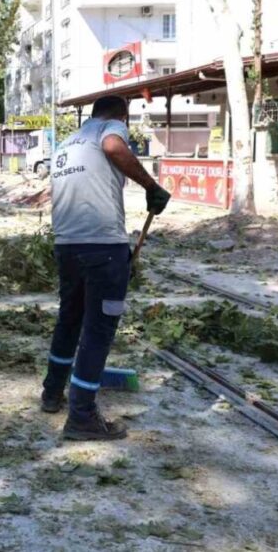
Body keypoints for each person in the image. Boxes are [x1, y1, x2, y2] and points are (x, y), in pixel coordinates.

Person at [41, 95, 171, 440]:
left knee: (69, 320)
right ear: (122, 115)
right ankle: (82, 417)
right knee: (98, 330)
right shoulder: (111, 129)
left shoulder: (67, 144)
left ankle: (52, 394)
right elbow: (114, 146)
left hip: (67, 245)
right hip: (102, 245)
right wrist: (151, 185)